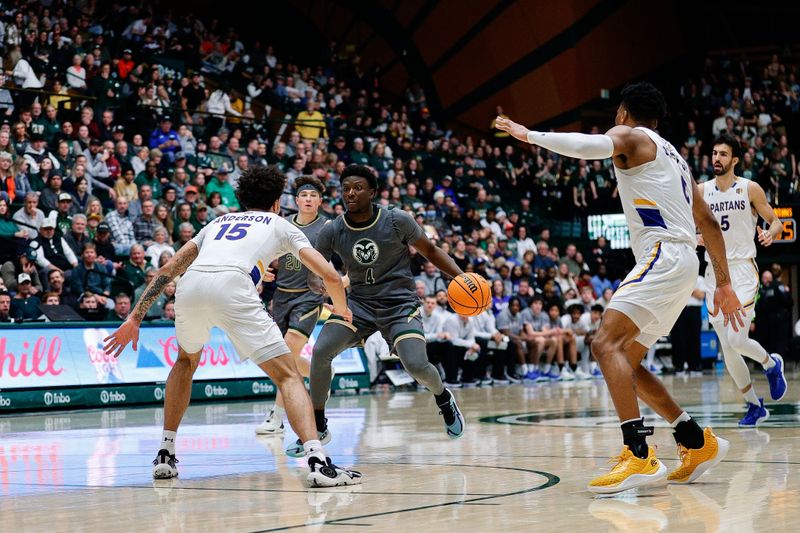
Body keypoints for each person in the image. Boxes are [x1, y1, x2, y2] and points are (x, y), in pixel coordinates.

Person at [496, 82, 744, 493]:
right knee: (627, 360)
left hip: (662, 256)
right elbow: (709, 223)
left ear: (625, 113)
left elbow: (587, 146)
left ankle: (639, 454)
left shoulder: (631, 136)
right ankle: (695, 441)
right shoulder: (678, 160)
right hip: (682, 263)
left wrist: (530, 135)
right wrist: (722, 283)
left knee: (603, 344)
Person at [103, 166, 362, 487]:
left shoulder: (217, 222)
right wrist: (342, 309)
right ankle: (318, 461)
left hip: (192, 286)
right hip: (233, 286)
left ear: (241, 198)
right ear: (277, 203)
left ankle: (166, 453)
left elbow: (169, 267)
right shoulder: (281, 224)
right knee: (288, 375)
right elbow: (331, 276)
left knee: (185, 362)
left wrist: (134, 317)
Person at [290, 164, 466, 457]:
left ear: (372, 192)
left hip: (399, 305)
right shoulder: (333, 229)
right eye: (346, 188)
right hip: (359, 305)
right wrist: (321, 286)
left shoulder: (397, 220)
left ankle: (443, 397)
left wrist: (460, 276)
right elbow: (314, 270)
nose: (350, 193)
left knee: (416, 365)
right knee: (321, 352)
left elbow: (432, 251)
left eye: (358, 188)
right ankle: (318, 424)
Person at [698, 133, 787, 426]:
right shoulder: (701, 192)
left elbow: (775, 222)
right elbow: (688, 227)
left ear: (734, 160)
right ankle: (754, 405)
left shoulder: (750, 188)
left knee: (737, 338)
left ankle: (771, 364)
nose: (717, 159)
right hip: (713, 271)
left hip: (741, 270)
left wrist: (769, 233)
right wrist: (695, 238)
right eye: (714, 153)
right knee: (727, 346)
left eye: (723, 154)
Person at [255, 175, 328, 435]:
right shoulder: (282, 225)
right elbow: (265, 254)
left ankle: (276, 417)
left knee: (286, 354)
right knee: (286, 358)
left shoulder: (327, 227)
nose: (308, 199)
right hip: (281, 297)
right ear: (296, 200)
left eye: (313, 196)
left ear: (320, 201)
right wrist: (263, 271)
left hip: (309, 296)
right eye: (304, 196)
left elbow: (344, 258)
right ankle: (321, 377)